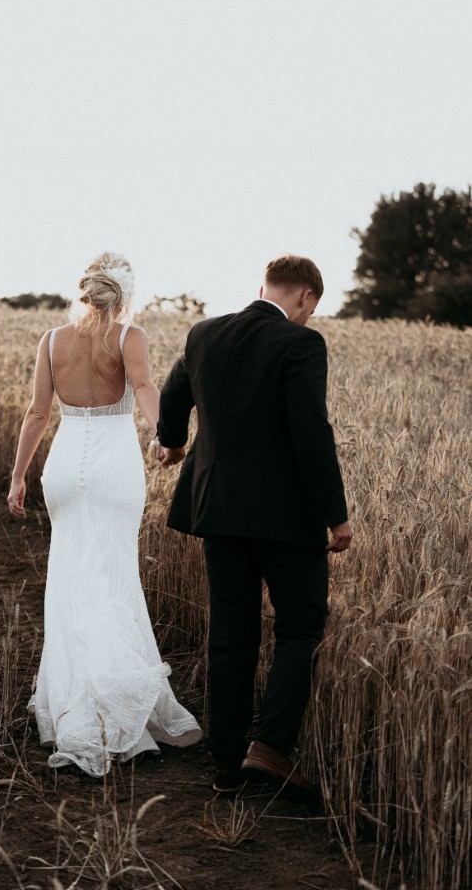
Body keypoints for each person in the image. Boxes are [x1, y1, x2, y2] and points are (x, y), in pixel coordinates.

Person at [154, 255, 352, 800]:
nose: (310, 316)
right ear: (306, 296)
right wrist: (335, 514)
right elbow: (311, 431)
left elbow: (173, 392)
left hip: (218, 510)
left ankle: (225, 765)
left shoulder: (204, 333)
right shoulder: (301, 343)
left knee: (231, 634)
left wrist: (173, 442)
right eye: (313, 307)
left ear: (263, 286)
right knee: (300, 627)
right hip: (286, 516)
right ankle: (270, 747)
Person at [7, 253, 201, 776]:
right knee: (113, 577)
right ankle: (115, 706)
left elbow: (37, 412)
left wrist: (18, 476)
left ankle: (73, 705)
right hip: (114, 467)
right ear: (124, 296)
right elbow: (145, 388)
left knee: (70, 578)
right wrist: (167, 437)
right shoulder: (129, 336)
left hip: (64, 466)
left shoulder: (51, 340)